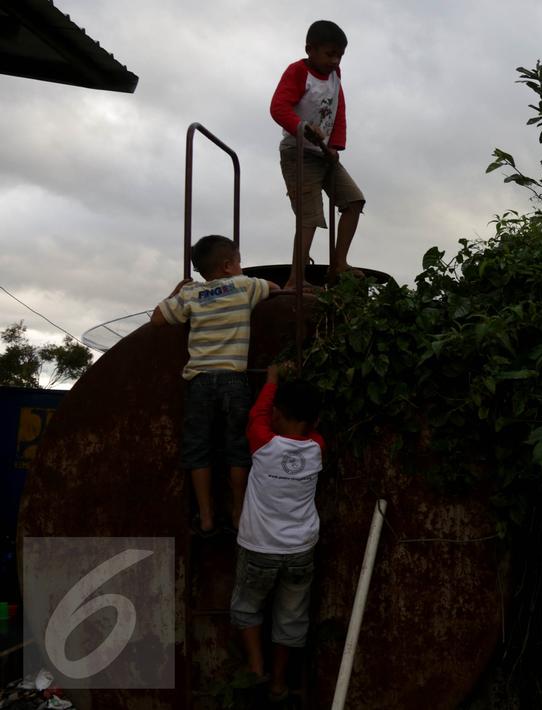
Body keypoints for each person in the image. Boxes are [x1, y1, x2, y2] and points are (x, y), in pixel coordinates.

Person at [151, 235, 277, 536]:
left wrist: (178, 291)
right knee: (237, 447)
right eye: (238, 261)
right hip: (234, 379)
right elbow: (274, 289)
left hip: (200, 381)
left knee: (198, 449)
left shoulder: (191, 295)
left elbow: (157, 319)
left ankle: (206, 516)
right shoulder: (243, 285)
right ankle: (237, 512)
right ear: (228, 265)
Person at [231, 364, 324, 703]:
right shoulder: (316, 448)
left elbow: (257, 412)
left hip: (259, 548)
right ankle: (279, 683)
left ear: (278, 414)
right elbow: (308, 429)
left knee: (246, 609)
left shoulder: (262, 442)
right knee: (291, 619)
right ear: (314, 422)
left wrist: (271, 381)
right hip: (301, 550)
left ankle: (257, 669)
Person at [270, 19, 366, 290]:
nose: (335, 60)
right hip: (298, 152)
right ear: (309, 49)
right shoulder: (298, 72)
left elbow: (339, 110)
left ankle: (339, 263)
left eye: (340, 55)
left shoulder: (336, 77)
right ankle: (295, 280)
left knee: (353, 201)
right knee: (309, 217)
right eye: (329, 54)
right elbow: (278, 107)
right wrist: (302, 128)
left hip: (324, 155)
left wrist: (335, 145)